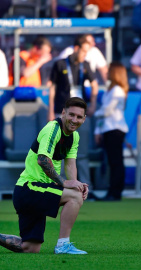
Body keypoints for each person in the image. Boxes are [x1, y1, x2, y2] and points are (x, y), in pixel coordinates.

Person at [0, 97, 89, 254]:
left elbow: (70, 163)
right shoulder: (52, 129)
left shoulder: (74, 137)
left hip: (37, 191)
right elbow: (42, 160)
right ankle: (63, 245)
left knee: (30, 248)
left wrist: (76, 183)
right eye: (71, 115)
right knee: (75, 196)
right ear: (63, 113)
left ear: (84, 119)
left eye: (79, 117)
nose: (75, 120)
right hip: (29, 188)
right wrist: (63, 182)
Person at [49, 35, 99, 201]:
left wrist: (92, 104)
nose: (85, 55)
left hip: (79, 115)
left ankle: (85, 189)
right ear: (76, 48)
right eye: (84, 51)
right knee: (59, 152)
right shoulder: (60, 64)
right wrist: (51, 112)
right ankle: (61, 187)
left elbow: (95, 84)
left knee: (81, 152)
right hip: (61, 113)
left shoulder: (85, 65)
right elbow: (53, 88)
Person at [94, 62, 129, 201]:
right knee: (113, 162)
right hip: (108, 129)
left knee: (116, 162)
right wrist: (98, 130)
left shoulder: (117, 90)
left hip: (115, 129)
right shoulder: (111, 89)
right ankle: (112, 191)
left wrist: (91, 114)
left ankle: (115, 192)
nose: (106, 73)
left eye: (109, 70)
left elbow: (107, 110)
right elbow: (104, 112)